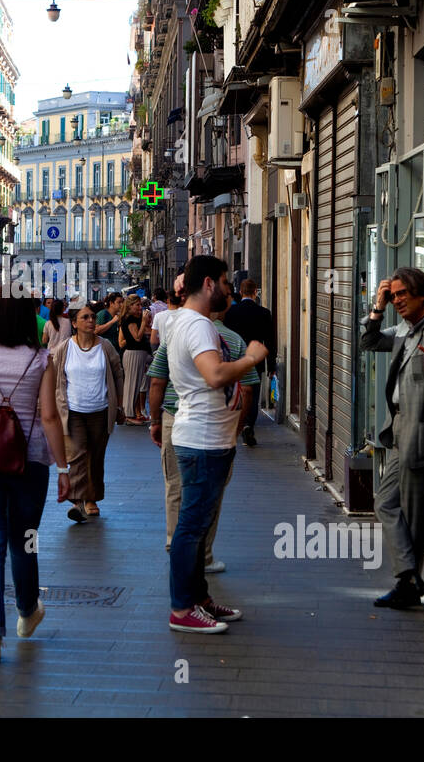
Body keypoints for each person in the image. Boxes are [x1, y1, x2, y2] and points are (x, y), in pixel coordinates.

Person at [0, 296, 71, 664]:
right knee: (25, 541)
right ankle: (26, 611)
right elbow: (50, 417)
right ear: (26, 317)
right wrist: (64, 468)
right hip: (30, 461)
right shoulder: (40, 359)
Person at [161, 256, 267, 634]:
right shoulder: (198, 326)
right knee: (191, 528)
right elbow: (214, 374)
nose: (229, 289)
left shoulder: (191, 324)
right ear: (208, 284)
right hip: (202, 439)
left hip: (208, 438)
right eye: (224, 281)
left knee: (198, 525)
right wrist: (252, 357)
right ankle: (181, 609)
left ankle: (199, 598)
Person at [360, 266, 424, 609]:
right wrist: (378, 305)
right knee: (385, 502)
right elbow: (368, 341)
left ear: (423, 295)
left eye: (403, 294)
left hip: (423, 431)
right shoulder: (406, 328)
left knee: (414, 514)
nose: (397, 300)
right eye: (394, 294)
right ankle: (409, 576)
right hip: (400, 427)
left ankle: (407, 584)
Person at [52, 304, 124, 522]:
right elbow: (55, 379)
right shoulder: (65, 348)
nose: (91, 321)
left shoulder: (106, 346)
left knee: (96, 456)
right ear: (74, 323)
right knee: (78, 453)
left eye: (92, 317)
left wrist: (119, 405)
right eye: (85, 317)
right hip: (73, 411)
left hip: (100, 410)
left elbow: (117, 373)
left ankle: (91, 498)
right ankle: (78, 500)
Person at [223, 278, 277, 446]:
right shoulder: (264, 313)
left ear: (240, 292)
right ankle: (248, 425)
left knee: (234, 393)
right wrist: (271, 365)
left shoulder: (231, 312)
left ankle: (234, 422)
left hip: (234, 360)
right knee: (252, 395)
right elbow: (270, 341)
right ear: (255, 292)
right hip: (255, 360)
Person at [119, 294, 154, 423]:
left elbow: (146, 332)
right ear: (130, 306)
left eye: (140, 305)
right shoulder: (129, 319)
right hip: (133, 353)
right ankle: (128, 414)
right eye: (137, 305)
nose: (140, 308)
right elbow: (137, 337)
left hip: (139, 353)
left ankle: (131, 413)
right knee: (132, 384)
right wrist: (144, 321)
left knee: (135, 383)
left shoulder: (133, 318)